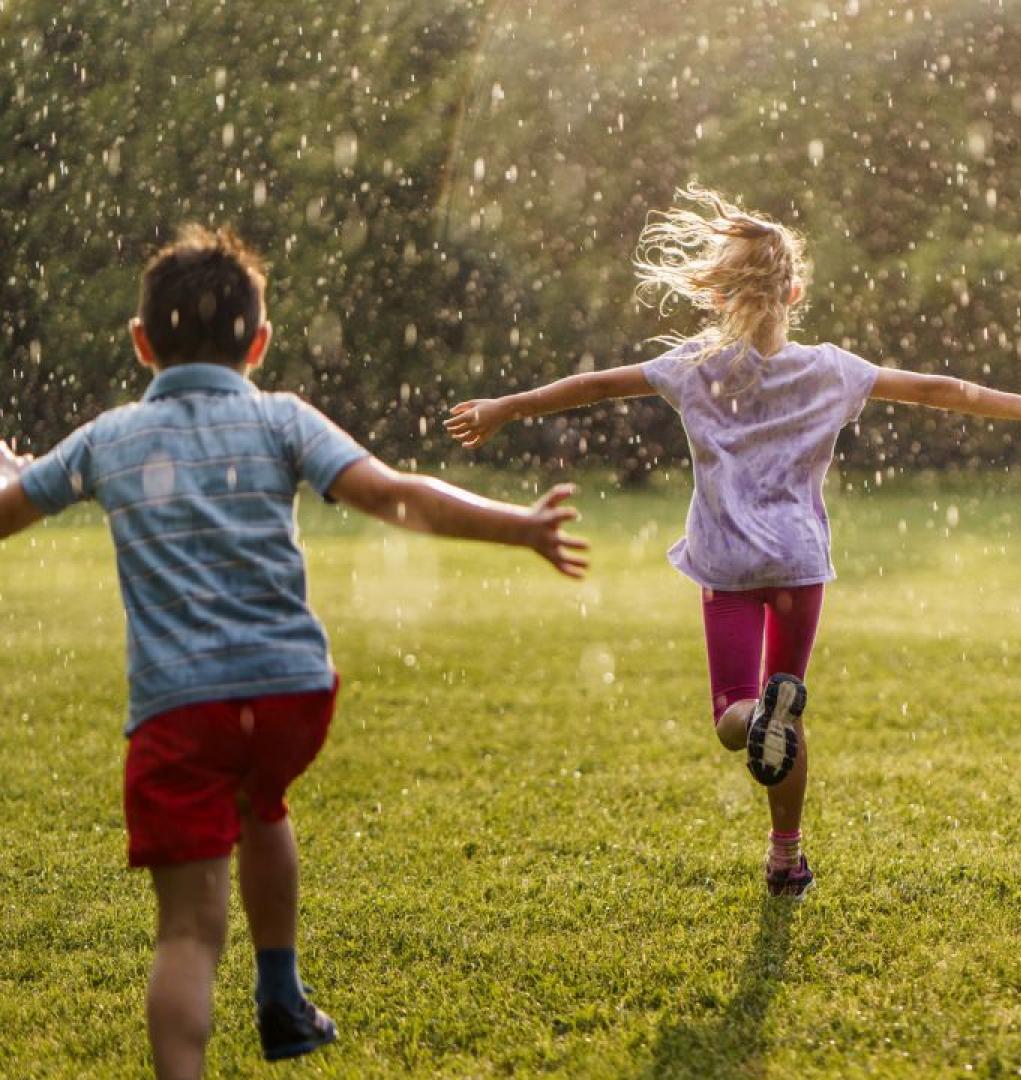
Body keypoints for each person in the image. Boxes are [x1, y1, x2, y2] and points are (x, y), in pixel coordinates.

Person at [0, 225, 588, 1079]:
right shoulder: (280, 417)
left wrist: (10, 473)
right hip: (287, 696)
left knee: (188, 932)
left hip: (181, 709)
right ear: (260, 343)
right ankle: (280, 988)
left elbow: (9, 512)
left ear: (140, 343)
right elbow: (394, 494)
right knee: (262, 802)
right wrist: (518, 527)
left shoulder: (108, 438)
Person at [444, 186, 1021, 898]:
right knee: (791, 710)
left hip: (728, 564)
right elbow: (938, 389)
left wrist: (507, 407)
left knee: (733, 716)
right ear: (796, 292)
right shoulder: (833, 370)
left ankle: (758, 716)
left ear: (719, 296)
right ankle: (787, 857)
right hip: (798, 564)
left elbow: (595, 386)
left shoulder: (693, 366)